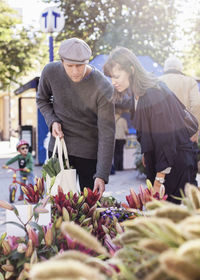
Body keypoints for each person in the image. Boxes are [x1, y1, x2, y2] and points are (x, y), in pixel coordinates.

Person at [103, 46, 198, 203]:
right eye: (111, 78)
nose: (113, 82)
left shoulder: (153, 93)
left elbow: (165, 139)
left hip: (174, 165)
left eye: (117, 77)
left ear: (131, 70)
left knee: (168, 219)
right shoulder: (139, 93)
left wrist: (159, 179)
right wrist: (146, 154)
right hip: (165, 162)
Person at [37, 37, 115, 197]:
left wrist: (101, 175)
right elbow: (42, 100)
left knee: (88, 211)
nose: (74, 71)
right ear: (62, 61)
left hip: (89, 154)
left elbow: (107, 133)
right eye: (69, 66)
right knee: (57, 207)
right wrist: (52, 121)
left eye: (79, 65)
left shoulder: (103, 86)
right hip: (59, 148)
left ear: (87, 61)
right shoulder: (50, 71)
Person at [160, 56, 200, 184]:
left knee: (163, 181)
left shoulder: (156, 82)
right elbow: (197, 105)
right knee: (188, 180)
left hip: (162, 137)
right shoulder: (190, 82)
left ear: (165, 68)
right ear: (180, 68)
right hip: (186, 137)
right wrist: (196, 131)